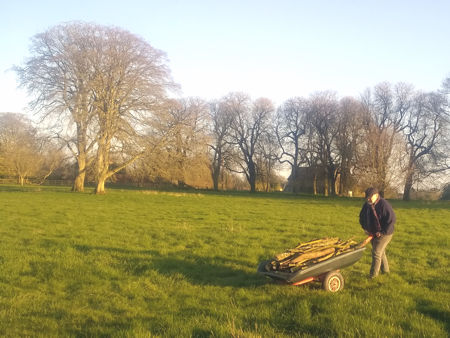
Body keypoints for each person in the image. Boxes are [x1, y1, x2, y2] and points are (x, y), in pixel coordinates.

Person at [359, 187, 396, 279]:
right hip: (372, 232)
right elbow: (361, 217)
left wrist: (382, 232)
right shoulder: (367, 205)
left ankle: (373, 276)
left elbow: (391, 220)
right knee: (380, 252)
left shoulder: (384, 204)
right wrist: (365, 228)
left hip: (385, 233)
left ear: (376, 195)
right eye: (367, 197)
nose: (368, 199)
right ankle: (386, 271)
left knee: (376, 252)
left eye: (370, 197)